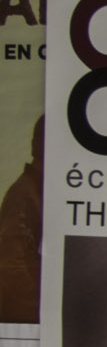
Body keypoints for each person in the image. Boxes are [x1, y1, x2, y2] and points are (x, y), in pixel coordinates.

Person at [0, 116, 41, 323]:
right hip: (24, 320)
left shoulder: (34, 192)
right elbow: (13, 265)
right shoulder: (25, 195)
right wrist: (42, 306)